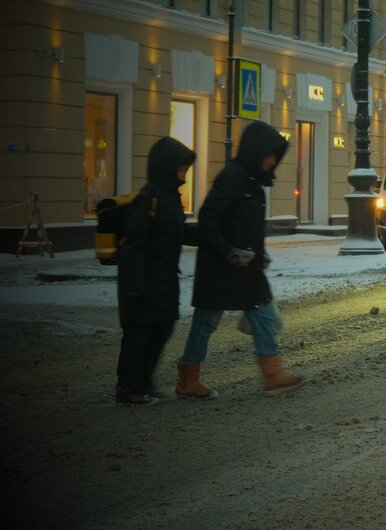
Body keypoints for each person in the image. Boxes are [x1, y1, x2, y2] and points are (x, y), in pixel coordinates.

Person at [176, 120, 305, 398]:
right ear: (255, 151)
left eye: (275, 156)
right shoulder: (233, 177)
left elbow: (245, 224)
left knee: (261, 313)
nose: (273, 161)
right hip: (221, 267)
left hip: (246, 268)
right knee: (206, 321)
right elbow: (209, 217)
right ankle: (188, 379)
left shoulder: (252, 181)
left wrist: (258, 252)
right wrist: (227, 251)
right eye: (269, 154)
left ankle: (273, 375)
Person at [113, 137, 198, 405]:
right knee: (138, 334)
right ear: (167, 166)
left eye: (186, 167)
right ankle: (127, 388)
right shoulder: (147, 199)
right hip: (142, 281)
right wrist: (136, 285)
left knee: (162, 328)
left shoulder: (171, 198)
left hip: (164, 280)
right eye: (181, 167)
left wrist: (210, 236)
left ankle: (144, 381)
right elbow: (133, 244)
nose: (184, 172)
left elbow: (179, 232)